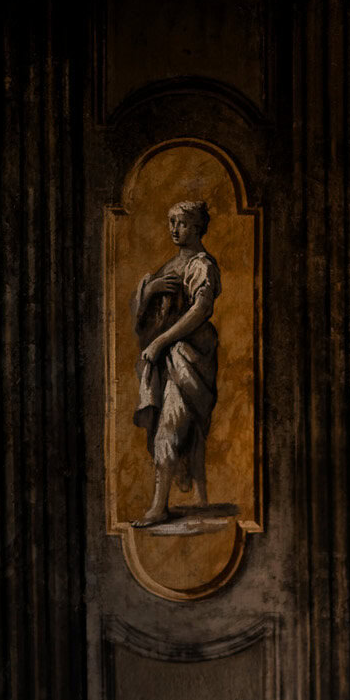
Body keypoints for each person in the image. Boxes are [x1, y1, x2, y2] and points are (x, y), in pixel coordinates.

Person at [131, 199, 221, 528]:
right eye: (171, 222)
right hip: (168, 360)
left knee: (172, 424)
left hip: (190, 358)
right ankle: (180, 501)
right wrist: (149, 288)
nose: (174, 229)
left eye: (181, 223)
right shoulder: (170, 266)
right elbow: (141, 316)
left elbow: (201, 310)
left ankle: (160, 507)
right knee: (168, 425)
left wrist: (160, 342)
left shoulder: (202, 265)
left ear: (197, 227)